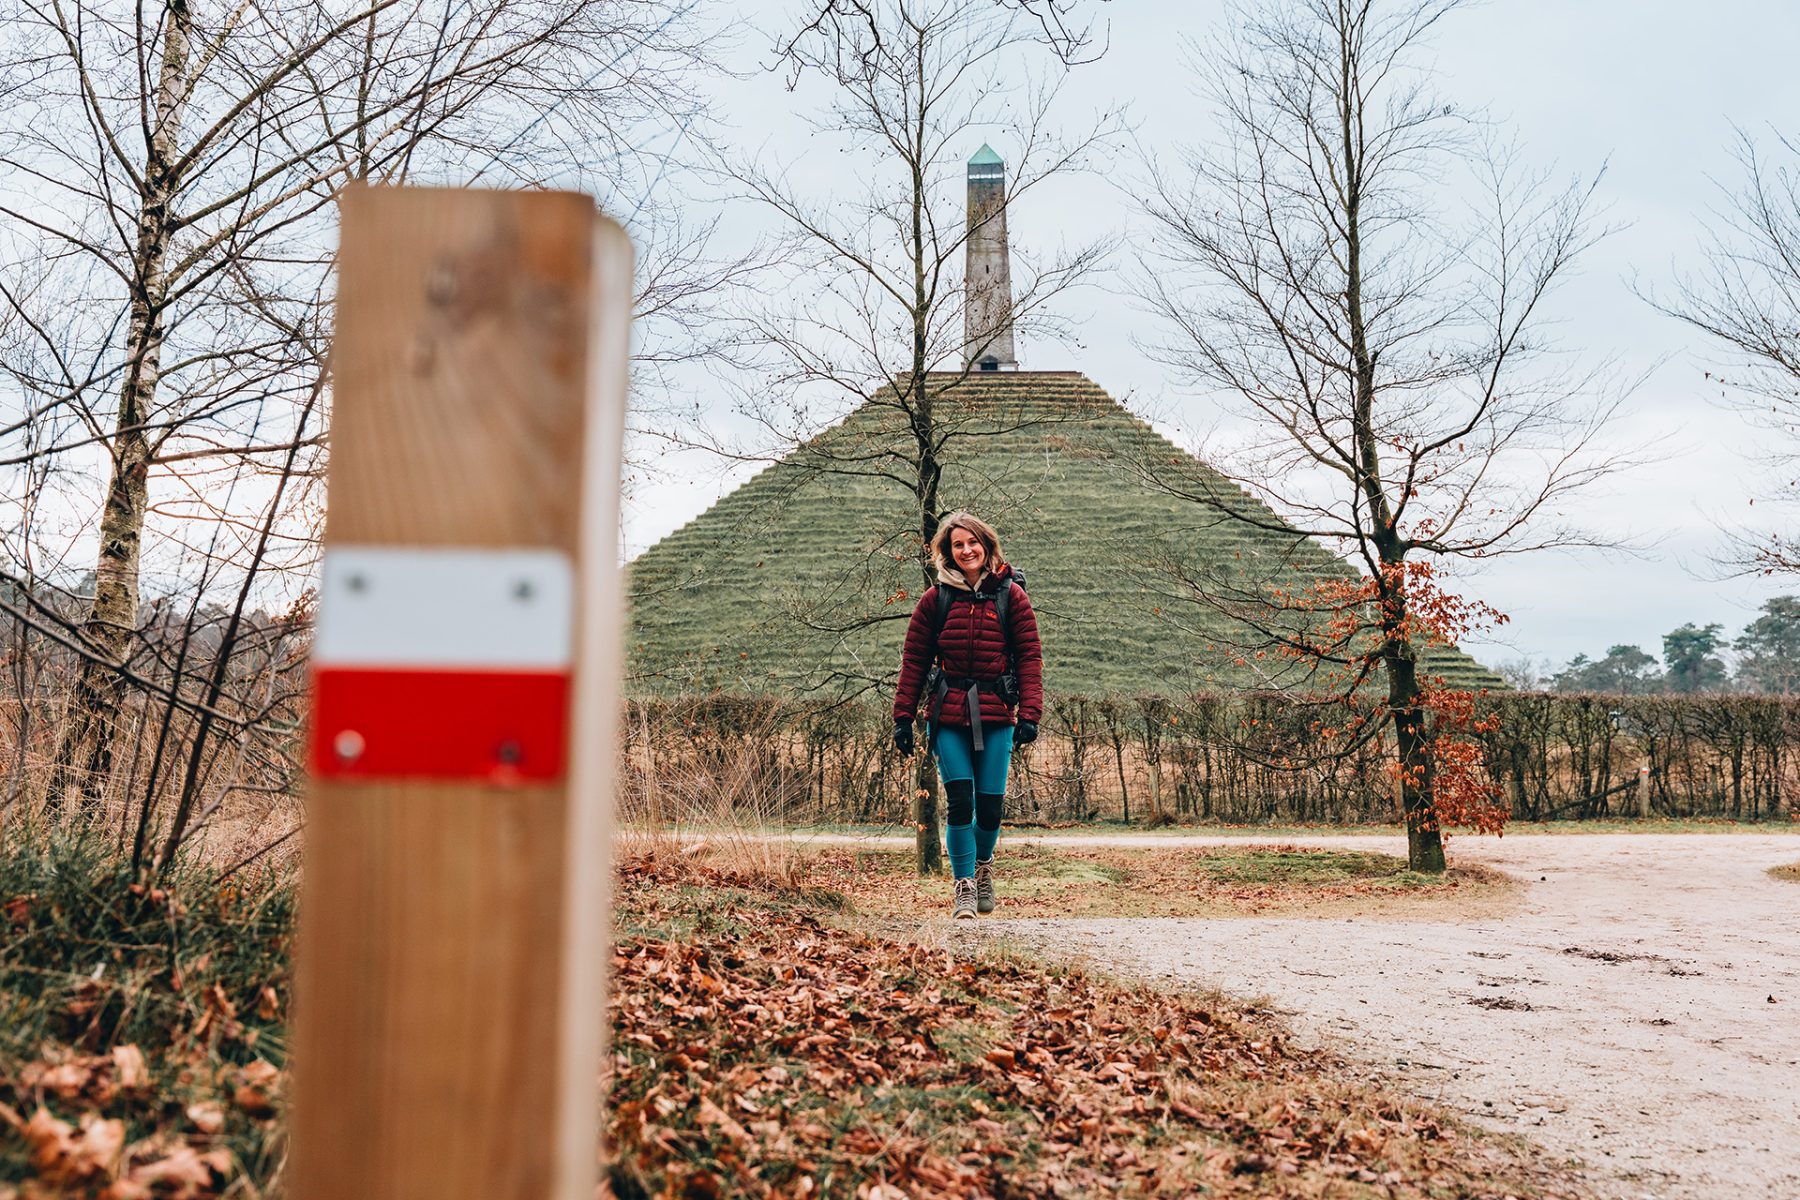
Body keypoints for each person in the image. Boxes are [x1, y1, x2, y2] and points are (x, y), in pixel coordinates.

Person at [892, 511, 1043, 918]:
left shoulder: (1012, 596)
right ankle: (963, 887)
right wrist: (902, 716)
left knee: (990, 808)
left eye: (972, 542)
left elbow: (1029, 657)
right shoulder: (935, 599)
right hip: (948, 714)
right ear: (947, 552)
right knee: (960, 802)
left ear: (987, 545)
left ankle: (982, 865)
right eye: (957, 545)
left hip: (996, 715)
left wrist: (1030, 713)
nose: (966, 550)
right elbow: (915, 661)